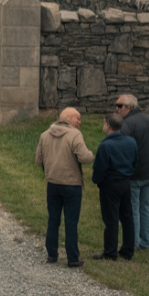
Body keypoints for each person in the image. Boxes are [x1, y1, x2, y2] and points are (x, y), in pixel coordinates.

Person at [35, 107, 95, 267]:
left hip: (52, 183)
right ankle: (73, 258)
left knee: (53, 220)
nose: (80, 123)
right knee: (71, 222)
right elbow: (84, 157)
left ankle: (52, 255)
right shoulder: (74, 135)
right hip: (71, 184)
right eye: (78, 119)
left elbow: (38, 160)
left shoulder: (44, 135)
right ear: (68, 119)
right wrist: (92, 154)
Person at [116, 94, 149, 250]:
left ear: (129, 107)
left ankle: (134, 242)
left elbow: (124, 150)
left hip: (135, 174)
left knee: (133, 208)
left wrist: (125, 171)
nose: (117, 109)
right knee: (145, 207)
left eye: (120, 106)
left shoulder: (126, 124)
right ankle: (145, 241)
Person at [92, 112, 138, 261]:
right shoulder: (131, 142)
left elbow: (100, 168)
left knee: (111, 218)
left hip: (110, 183)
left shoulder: (105, 145)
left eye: (104, 123)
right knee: (127, 217)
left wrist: (98, 181)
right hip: (125, 182)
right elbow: (135, 161)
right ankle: (127, 250)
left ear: (108, 125)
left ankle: (110, 252)